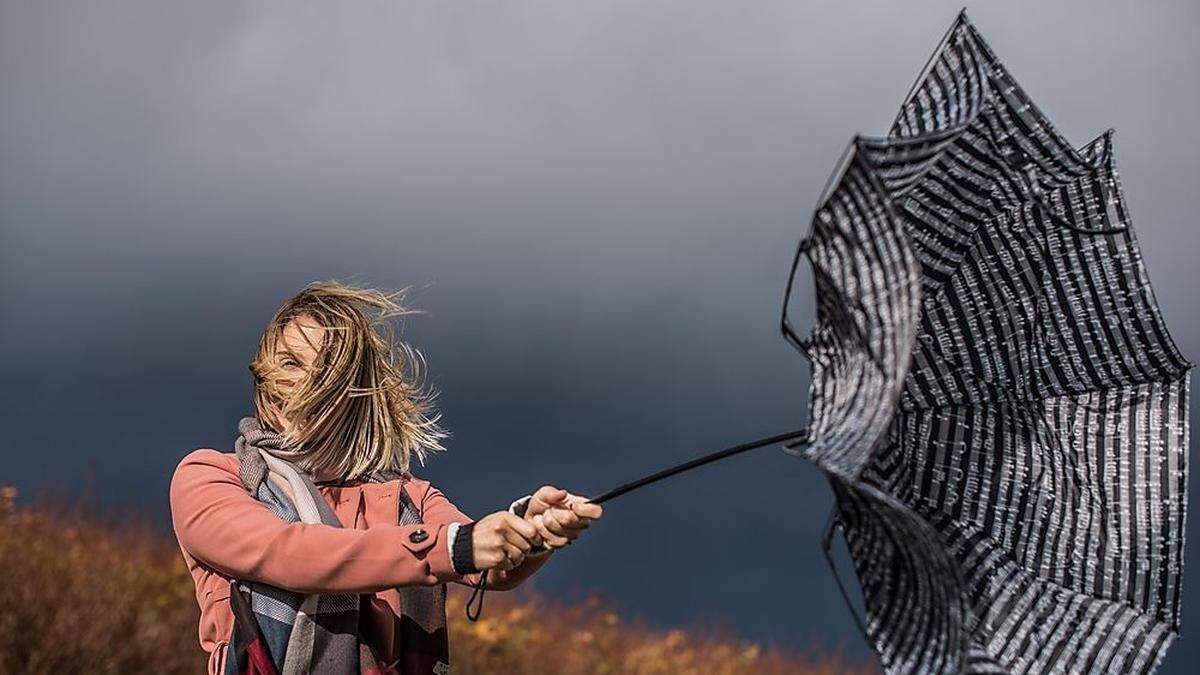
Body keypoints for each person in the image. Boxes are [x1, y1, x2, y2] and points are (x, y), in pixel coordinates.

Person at [170, 282, 602, 674]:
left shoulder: (407, 496)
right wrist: (455, 547)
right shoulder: (211, 477)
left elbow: (487, 566)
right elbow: (288, 554)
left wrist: (531, 528)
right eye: (288, 361)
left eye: (324, 370)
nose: (299, 383)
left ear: (349, 390)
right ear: (262, 369)